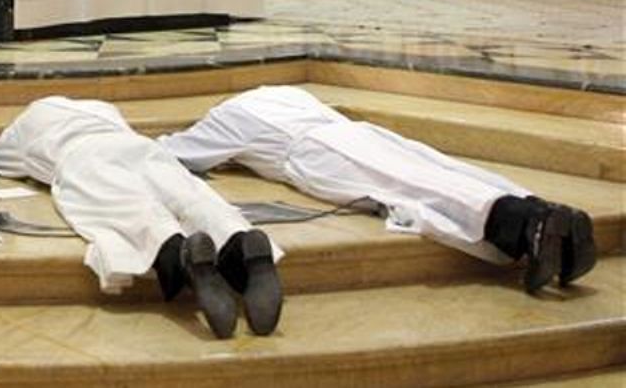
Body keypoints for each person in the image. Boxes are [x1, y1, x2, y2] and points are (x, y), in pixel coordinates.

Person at [158, 86, 597, 295]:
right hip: (356, 132)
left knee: (414, 193)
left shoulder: (225, 118)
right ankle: (549, 215)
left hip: (320, 154)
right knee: (438, 171)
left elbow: (176, 153)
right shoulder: (282, 92)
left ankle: (528, 229)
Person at [0, 97, 283, 338]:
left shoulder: (28, 120)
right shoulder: (103, 108)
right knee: (191, 198)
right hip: (140, 146)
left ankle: (178, 252)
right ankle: (239, 241)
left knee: (135, 212)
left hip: (82, 156)